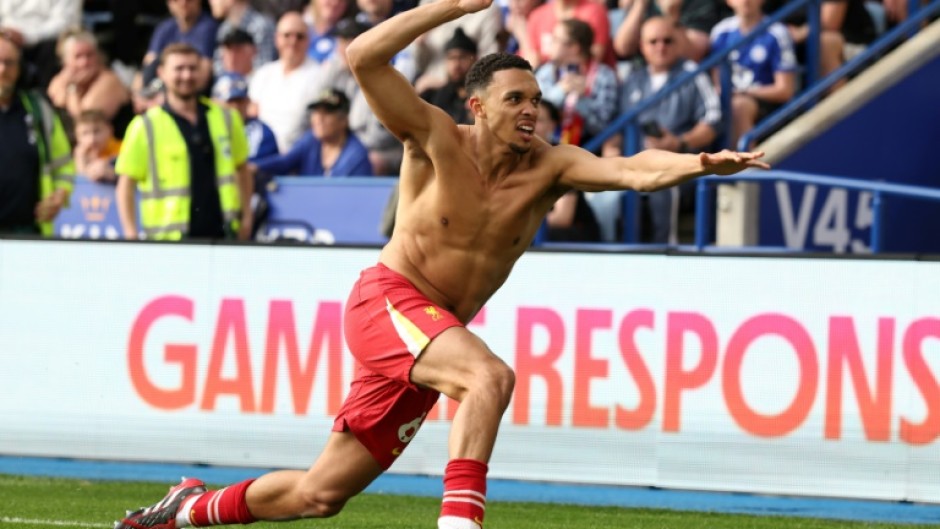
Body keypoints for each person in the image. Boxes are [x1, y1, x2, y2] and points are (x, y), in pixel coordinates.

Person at [113, 1, 767, 529]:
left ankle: (188, 508)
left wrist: (698, 163)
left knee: (320, 494)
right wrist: (447, 8)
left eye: (536, 99)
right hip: (387, 302)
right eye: (515, 99)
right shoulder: (433, 138)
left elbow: (632, 171)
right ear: (476, 106)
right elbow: (362, 56)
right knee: (489, 377)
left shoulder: (552, 166)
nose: (531, 110)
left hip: (431, 334)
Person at [115, 43, 253, 241]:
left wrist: (247, 215)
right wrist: (131, 234)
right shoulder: (145, 126)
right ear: (162, 73)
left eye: (192, 68)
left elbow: (242, 168)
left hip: (223, 235)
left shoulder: (227, 118)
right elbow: (125, 185)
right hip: (169, 240)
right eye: (179, 69)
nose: (186, 75)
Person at [604, 16, 721, 244]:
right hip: (633, 165)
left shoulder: (692, 73)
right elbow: (615, 127)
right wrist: (611, 151)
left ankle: (665, 250)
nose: (661, 47)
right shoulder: (633, 79)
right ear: (642, 46)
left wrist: (679, 142)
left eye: (667, 40)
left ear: (678, 43)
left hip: (678, 166)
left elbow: (713, 121)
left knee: (662, 185)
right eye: (653, 41)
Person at [0, 34, 75, 236]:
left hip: (29, 234)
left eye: (9, 63)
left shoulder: (38, 110)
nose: (2, 70)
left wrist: (60, 194)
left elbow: (63, 163)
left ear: (21, 68)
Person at [710, 0, 797, 149]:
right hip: (729, 100)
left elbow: (785, 91)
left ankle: (745, 160)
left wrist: (744, 92)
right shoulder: (720, 32)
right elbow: (717, 82)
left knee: (739, 106)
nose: (745, 1)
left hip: (767, 103)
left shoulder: (777, 32)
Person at [534, 18, 619, 147]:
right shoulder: (546, 72)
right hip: (547, 146)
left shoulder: (604, 76)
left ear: (574, 47)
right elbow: (534, 111)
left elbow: (602, 127)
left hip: (588, 148)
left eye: (556, 39)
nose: (550, 43)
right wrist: (561, 91)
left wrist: (582, 101)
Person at [251, 88, 373, 178]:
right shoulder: (310, 140)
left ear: (344, 120)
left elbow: (356, 196)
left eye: (327, 113)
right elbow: (284, 162)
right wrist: (254, 167)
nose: (319, 119)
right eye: (316, 112)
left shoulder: (357, 154)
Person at [249, 11, 323, 152]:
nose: (293, 42)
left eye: (300, 36)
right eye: (287, 35)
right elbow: (252, 114)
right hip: (261, 150)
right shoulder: (263, 74)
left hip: (297, 153)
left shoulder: (319, 75)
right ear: (277, 39)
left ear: (308, 41)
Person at [537, 99, 600, 242]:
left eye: (539, 120)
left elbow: (562, 218)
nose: (531, 124)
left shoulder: (564, 158)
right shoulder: (514, 157)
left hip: (574, 235)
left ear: (552, 125)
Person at [46, 29, 131, 131]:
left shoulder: (109, 80)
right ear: (65, 61)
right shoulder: (61, 78)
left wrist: (73, 89)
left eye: (89, 55)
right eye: (78, 56)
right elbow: (56, 102)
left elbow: (84, 123)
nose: (84, 62)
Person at [0, 0, 82, 89]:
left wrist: (26, 37)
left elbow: (65, 23)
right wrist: (5, 32)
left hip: (46, 42)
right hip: (7, 35)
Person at [613, 0, 722, 62]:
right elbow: (623, 48)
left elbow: (695, 54)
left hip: (684, 80)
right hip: (644, 78)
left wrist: (671, 16)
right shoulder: (644, 4)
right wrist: (640, 5)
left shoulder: (700, 3)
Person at [525, 0, 614, 69]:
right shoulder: (537, 15)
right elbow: (532, 59)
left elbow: (595, 56)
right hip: (548, 80)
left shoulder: (595, 12)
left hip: (588, 81)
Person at [420, 27, 478, 125]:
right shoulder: (434, 96)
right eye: (451, 58)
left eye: (462, 57)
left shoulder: (481, 98)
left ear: (475, 59)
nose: (456, 64)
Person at [209, 0, 277, 75]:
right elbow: (219, 68)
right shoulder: (224, 29)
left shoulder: (261, 26)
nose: (210, 1)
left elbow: (263, 71)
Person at [73, 109, 122, 183]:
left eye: (96, 131)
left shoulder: (123, 149)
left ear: (110, 130)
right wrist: (81, 161)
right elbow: (81, 184)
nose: (92, 139)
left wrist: (112, 173)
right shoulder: (79, 156)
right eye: (85, 133)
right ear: (77, 137)